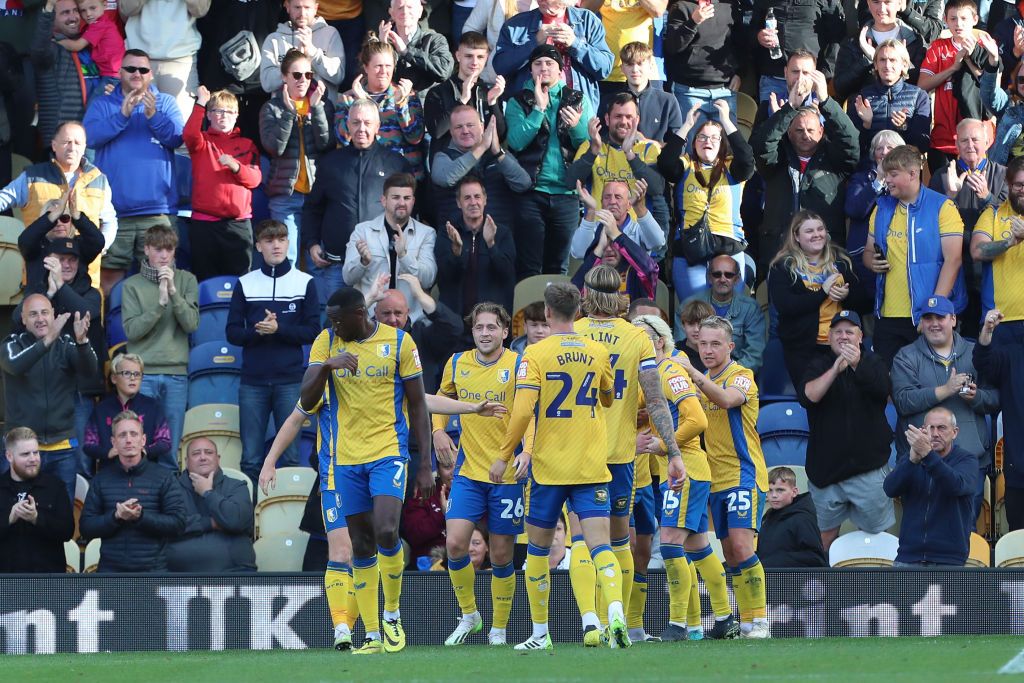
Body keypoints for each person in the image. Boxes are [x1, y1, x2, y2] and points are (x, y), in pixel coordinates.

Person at [260, 361, 506, 647]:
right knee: (341, 552)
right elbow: (293, 419)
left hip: (377, 474)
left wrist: (471, 407)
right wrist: (269, 461)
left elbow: (422, 399)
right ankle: (343, 629)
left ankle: (387, 615)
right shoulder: (325, 386)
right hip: (334, 477)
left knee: (382, 541)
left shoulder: (382, 380)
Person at [488, 283, 637, 650]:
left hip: (549, 467)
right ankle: (615, 611)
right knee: (602, 546)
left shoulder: (535, 355)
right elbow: (607, 394)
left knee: (537, 551)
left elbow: (523, 410)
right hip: (591, 464)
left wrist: (504, 455)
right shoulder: (597, 350)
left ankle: (540, 634)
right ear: (578, 312)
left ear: (549, 314)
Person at [301, 286, 434, 654]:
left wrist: (425, 463)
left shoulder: (400, 343)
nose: (332, 325)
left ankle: (392, 613)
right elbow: (306, 400)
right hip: (345, 459)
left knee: (387, 530)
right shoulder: (326, 342)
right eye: (329, 320)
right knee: (361, 543)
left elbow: (419, 403)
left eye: (337, 319)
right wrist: (327, 365)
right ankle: (373, 634)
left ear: (360, 314)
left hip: (388, 452)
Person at [566, 266, 685, 647]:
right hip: (620, 454)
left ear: (586, 293)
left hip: (578, 454)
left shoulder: (572, 333)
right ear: (620, 295)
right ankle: (625, 622)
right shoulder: (637, 337)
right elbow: (655, 400)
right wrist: (675, 451)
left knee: (582, 541)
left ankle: (594, 623)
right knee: (619, 542)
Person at [631, 313, 739, 642]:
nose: (636, 343)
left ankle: (678, 624)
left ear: (659, 341)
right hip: (683, 470)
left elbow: (697, 420)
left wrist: (664, 444)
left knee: (671, 545)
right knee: (698, 546)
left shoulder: (670, 371)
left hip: (686, 469)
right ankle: (723, 617)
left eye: (643, 338)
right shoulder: (653, 374)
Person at [435, 303, 523, 646]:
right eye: (479, 328)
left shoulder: (518, 365)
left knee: (501, 555)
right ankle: (470, 614)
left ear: (505, 332)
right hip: (469, 471)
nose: (484, 333)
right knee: (455, 544)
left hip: (508, 473)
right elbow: (441, 397)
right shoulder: (458, 363)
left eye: (491, 327)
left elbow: (530, 412)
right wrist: (439, 431)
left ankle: (498, 629)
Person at [676, 315, 769, 638]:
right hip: (713, 477)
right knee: (729, 553)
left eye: (716, 344)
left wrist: (692, 375)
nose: (708, 350)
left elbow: (728, 399)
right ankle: (745, 622)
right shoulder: (700, 379)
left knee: (743, 547)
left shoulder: (742, 376)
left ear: (730, 346)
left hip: (744, 473)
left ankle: (760, 621)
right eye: (702, 343)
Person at [83, 48, 184, 295]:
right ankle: (110, 333)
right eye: (131, 69)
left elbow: (177, 138)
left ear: (151, 74)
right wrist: (122, 115)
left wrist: (153, 116)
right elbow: (90, 137)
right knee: (109, 278)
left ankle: (158, 334)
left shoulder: (166, 102)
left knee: (161, 280)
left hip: (158, 212)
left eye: (143, 69)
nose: (137, 73)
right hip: (115, 212)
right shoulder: (104, 104)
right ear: (120, 72)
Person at [227, 219, 320, 484]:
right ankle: (249, 521)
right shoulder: (245, 283)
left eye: (281, 239)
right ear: (258, 246)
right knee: (251, 459)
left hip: (289, 381)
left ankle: (289, 522)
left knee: (290, 458)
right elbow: (232, 332)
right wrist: (258, 331)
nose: (276, 245)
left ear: (289, 243)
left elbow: (313, 331)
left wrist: (279, 330)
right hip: (253, 382)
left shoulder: (305, 282)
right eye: (269, 240)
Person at [892, 295, 999, 517]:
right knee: (920, 527)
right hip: (921, 458)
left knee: (966, 529)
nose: (934, 323)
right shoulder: (906, 356)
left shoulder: (975, 352)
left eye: (940, 317)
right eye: (928, 318)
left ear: (953, 319)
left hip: (968, 459)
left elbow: (996, 398)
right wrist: (946, 390)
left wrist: (976, 396)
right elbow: (903, 402)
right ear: (921, 323)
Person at [800, 310, 896, 553]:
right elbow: (810, 396)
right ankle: (820, 590)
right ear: (829, 337)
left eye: (849, 332)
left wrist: (856, 364)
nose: (843, 337)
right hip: (826, 473)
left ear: (860, 337)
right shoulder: (817, 363)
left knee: (877, 538)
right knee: (823, 538)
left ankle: (877, 590)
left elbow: (883, 390)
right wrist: (835, 369)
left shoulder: (873, 361)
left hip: (868, 469)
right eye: (838, 332)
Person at [303, 99, 413, 307]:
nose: (361, 129)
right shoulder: (330, 163)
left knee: (381, 325)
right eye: (355, 123)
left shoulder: (396, 164)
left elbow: (409, 210)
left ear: (377, 126)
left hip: (382, 264)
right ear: (347, 125)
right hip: (337, 263)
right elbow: (312, 208)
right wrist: (312, 243)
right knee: (335, 324)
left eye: (367, 123)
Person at [864, 145, 966, 366]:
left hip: (928, 315)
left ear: (912, 174)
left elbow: (953, 260)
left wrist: (934, 308)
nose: (887, 180)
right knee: (888, 386)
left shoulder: (943, 206)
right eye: (885, 174)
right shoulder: (881, 208)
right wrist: (872, 261)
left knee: (932, 383)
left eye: (893, 175)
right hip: (887, 315)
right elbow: (868, 251)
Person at [750, 68, 861, 271]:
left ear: (821, 130)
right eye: (799, 130)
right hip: (781, 253)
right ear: (789, 133)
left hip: (826, 255)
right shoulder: (775, 160)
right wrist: (790, 108)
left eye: (811, 130)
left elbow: (850, 141)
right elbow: (761, 145)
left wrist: (826, 101)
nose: (805, 135)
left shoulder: (835, 161)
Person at [504, 44, 591, 277]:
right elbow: (515, 141)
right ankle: (529, 314)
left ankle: (558, 313)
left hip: (567, 194)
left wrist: (576, 127)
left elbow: (588, 144)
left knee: (558, 267)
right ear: (530, 70)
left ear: (560, 71)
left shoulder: (577, 99)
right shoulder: (518, 101)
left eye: (550, 63)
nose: (544, 68)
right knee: (529, 266)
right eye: (538, 64)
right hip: (531, 192)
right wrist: (538, 111)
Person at [1, 294, 96, 503]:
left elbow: (90, 371)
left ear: (53, 315)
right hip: (20, 449)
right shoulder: (11, 344)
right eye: (33, 314)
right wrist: (46, 341)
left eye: (45, 312)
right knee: (11, 510)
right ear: (23, 320)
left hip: (62, 448)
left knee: (61, 514)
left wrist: (82, 342)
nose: (40, 318)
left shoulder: (66, 343)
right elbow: (15, 366)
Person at [1, 122, 117, 290]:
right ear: (54, 145)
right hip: (41, 275)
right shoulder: (32, 176)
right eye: (66, 142)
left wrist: (100, 247)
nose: (72, 147)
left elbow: (110, 221)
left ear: (85, 147)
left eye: (77, 143)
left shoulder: (98, 179)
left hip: (86, 278)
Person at [659, 99, 753, 302]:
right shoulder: (686, 164)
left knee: (727, 315)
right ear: (694, 143)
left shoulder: (732, 167)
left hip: (727, 243)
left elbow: (747, 159)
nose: (707, 141)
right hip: (690, 246)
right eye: (701, 137)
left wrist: (726, 121)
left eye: (713, 138)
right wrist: (687, 126)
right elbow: (665, 163)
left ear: (722, 144)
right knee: (694, 312)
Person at [121, 225, 199, 461]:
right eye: (158, 249)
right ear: (146, 250)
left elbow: (191, 324)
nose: (164, 255)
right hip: (142, 375)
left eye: (169, 249)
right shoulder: (132, 285)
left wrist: (173, 293)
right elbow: (132, 331)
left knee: (170, 449)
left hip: (176, 374)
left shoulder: (187, 280)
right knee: (136, 445)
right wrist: (159, 304)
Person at [79, 410, 188, 572]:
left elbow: (178, 524)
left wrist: (141, 517)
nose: (128, 440)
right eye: (122, 435)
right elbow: (86, 528)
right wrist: (116, 517)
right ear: (113, 442)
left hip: (154, 572)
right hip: (111, 573)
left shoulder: (164, 477)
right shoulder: (101, 479)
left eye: (133, 434)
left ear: (143, 440)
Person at [768, 210, 862, 387]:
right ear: (796, 236)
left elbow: (865, 301)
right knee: (813, 400)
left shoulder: (841, 261)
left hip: (841, 345)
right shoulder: (783, 267)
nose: (817, 235)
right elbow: (787, 306)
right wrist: (822, 292)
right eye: (809, 231)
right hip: (803, 348)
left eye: (820, 229)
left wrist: (847, 296)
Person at [260, 48, 335, 266]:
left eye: (308, 75)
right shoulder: (272, 108)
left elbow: (326, 144)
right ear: (284, 77)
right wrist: (290, 113)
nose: (303, 80)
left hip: (316, 195)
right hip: (285, 196)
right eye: (297, 75)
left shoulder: (321, 104)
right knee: (287, 259)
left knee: (317, 260)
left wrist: (318, 108)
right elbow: (275, 147)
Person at [184, 85, 263, 282]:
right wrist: (201, 102)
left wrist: (235, 166)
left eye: (228, 111)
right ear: (208, 115)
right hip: (204, 225)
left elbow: (254, 180)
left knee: (240, 284)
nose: (223, 116)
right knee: (204, 283)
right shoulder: (202, 142)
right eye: (217, 111)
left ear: (236, 115)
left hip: (237, 225)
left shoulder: (247, 144)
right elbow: (189, 135)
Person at [884, 406, 978, 566]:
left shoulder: (967, 460)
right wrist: (911, 460)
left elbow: (955, 485)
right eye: (930, 428)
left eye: (941, 428)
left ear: (955, 432)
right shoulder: (913, 458)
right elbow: (890, 489)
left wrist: (927, 455)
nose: (935, 434)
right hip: (908, 556)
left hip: (949, 560)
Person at [342, 172, 438, 322]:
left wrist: (404, 256)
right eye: (395, 197)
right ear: (384, 200)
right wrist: (363, 262)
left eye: (406, 198)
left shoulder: (426, 233)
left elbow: (428, 280)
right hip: (371, 318)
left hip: (411, 319)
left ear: (413, 201)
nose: (402, 203)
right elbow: (348, 278)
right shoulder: (363, 231)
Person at [566, 92, 668, 232]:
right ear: (607, 119)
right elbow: (570, 182)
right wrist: (593, 151)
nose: (624, 122)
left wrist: (630, 155)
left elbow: (657, 188)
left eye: (629, 117)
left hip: (636, 231)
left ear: (637, 120)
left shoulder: (649, 148)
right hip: (599, 230)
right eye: (618, 116)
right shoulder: (590, 146)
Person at [493, 0, 614, 114]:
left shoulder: (587, 21)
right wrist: (534, 43)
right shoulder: (516, 24)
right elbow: (500, 66)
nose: (540, 0)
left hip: (576, 113)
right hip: (528, 113)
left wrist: (575, 43)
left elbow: (604, 69)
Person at [335, 36, 426, 179]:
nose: (384, 71)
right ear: (366, 67)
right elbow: (342, 140)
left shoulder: (408, 94)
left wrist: (400, 105)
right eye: (378, 66)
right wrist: (360, 103)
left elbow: (415, 137)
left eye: (388, 66)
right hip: (366, 176)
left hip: (403, 177)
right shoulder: (348, 98)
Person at [429, 105, 530, 231]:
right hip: (457, 240)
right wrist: (481, 148)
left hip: (499, 238)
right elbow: (446, 178)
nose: (465, 131)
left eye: (470, 125)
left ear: (482, 127)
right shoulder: (442, 157)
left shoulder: (499, 154)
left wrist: (498, 153)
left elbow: (523, 184)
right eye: (459, 127)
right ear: (451, 131)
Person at [918, 0, 992, 172]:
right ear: (945, 19)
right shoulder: (938, 47)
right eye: (953, 19)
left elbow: (993, 87)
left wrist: (969, 61)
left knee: (975, 193)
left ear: (975, 19)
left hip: (978, 140)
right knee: (944, 194)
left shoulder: (985, 46)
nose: (958, 24)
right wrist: (952, 68)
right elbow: (922, 86)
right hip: (943, 139)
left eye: (964, 19)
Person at [166, 437, 256, 572]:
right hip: (180, 574)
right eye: (196, 453)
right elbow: (167, 526)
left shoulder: (237, 486)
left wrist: (208, 493)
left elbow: (237, 520)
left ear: (218, 458)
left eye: (208, 452)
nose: (203, 457)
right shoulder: (171, 489)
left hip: (234, 572)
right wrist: (211, 523)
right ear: (186, 461)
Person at [434, 176, 517, 319]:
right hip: (455, 321)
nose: (473, 202)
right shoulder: (447, 233)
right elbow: (444, 278)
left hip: (491, 320)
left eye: (477, 197)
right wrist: (456, 251)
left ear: (485, 200)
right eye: (467, 198)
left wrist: (491, 245)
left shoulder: (502, 232)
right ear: (459, 203)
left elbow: (507, 275)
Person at [571, 180, 661, 303]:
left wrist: (638, 207)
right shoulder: (596, 228)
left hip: (633, 293)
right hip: (598, 291)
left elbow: (658, 243)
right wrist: (591, 211)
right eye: (607, 197)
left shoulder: (637, 228)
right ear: (601, 203)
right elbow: (578, 252)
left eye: (618, 197)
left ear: (628, 204)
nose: (612, 201)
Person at [368, 280, 465, 394]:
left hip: (416, 409)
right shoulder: (364, 337)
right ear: (375, 313)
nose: (393, 319)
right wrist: (369, 298)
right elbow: (343, 327)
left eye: (398, 313)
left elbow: (454, 328)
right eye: (386, 313)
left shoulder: (421, 337)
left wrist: (421, 295)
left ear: (407, 313)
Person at [0, 427, 75, 573]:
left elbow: (67, 532)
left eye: (36, 452)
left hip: (48, 579)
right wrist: (8, 519)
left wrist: (36, 518)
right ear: (9, 456)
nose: (33, 459)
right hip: (5, 579)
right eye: (25, 454)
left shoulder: (55, 486)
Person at [975, 309, 1024, 530]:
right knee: (1019, 546)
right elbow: (983, 363)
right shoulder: (1013, 355)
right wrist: (987, 331)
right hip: (1019, 475)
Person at [119, 0, 211, 119]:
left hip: (180, 59)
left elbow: (201, 10)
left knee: (178, 125)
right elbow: (126, 10)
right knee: (136, 121)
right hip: (139, 59)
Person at [423, 31, 506, 161]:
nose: (474, 62)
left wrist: (493, 103)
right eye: (468, 56)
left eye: (480, 57)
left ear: (487, 57)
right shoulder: (438, 92)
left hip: (483, 167)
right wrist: (462, 100)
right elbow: (437, 132)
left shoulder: (489, 91)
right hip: (450, 166)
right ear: (458, 56)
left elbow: (500, 136)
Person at [83, 353, 172, 472]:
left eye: (137, 374)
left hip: (146, 472)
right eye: (126, 373)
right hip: (110, 474)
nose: (132, 378)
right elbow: (88, 444)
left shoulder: (153, 406)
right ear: (114, 378)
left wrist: (144, 450)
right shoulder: (101, 409)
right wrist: (108, 452)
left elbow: (165, 441)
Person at [847, 39, 932, 159]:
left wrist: (904, 127)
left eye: (892, 60)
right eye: (882, 60)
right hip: (870, 168)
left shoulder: (919, 96)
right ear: (875, 65)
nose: (887, 66)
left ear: (904, 65)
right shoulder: (861, 98)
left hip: (904, 167)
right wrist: (866, 124)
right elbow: (852, 148)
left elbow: (923, 145)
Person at [682, 255, 766, 373]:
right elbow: (680, 347)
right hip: (693, 374)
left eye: (729, 275)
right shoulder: (689, 305)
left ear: (737, 278)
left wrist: (724, 374)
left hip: (735, 376)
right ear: (709, 277)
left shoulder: (751, 309)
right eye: (717, 274)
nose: (722, 279)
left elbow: (754, 356)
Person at [845, 129, 906, 293]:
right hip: (863, 259)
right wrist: (878, 181)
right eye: (879, 148)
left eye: (890, 147)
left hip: (898, 258)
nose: (884, 152)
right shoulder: (861, 179)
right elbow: (854, 210)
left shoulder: (908, 182)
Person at [971, 155, 1024, 343]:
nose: (1023, 190)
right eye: (1018, 185)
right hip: (999, 321)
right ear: (1008, 185)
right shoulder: (992, 214)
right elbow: (977, 250)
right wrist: (1009, 243)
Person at [663, 0, 742, 123]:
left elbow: (739, 43)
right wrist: (693, 22)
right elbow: (672, 47)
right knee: (689, 141)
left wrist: (739, 72)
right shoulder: (681, 7)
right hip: (689, 91)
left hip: (725, 90)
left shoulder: (729, 5)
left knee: (727, 141)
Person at [833, 0, 927, 104]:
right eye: (876, 2)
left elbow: (922, 84)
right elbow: (840, 89)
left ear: (900, 3)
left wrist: (905, 64)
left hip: (904, 113)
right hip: (864, 112)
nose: (881, 9)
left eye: (887, 2)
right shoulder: (854, 42)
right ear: (868, 3)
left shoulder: (914, 41)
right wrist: (866, 61)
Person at [750, 0, 846, 98]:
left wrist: (826, 74)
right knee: (772, 113)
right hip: (773, 78)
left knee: (808, 113)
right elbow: (750, 31)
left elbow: (837, 37)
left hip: (809, 78)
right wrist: (758, 36)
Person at [31, 0, 94, 150]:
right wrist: (48, 9)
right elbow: (39, 49)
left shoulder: (87, 46)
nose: (73, 17)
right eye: (65, 13)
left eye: (75, 11)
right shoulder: (51, 49)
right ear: (52, 20)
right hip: (61, 142)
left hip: (90, 136)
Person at [929, 118, 1008, 236]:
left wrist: (987, 197)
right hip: (952, 247)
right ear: (957, 145)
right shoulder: (941, 175)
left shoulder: (1004, 175)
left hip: (991, 248)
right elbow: (930, 218)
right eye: (964, 140)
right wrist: (950, 196)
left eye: (975, 140)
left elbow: (1008, 218)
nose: (970, 145)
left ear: (987, 143)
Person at [260, 0, 345, 102]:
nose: (302, 14)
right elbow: (267, 83)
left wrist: (313, 53)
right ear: (287, 7)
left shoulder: (330, 34)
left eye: (307, 8)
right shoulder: (274, 39)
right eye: (297, 7)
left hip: (322, 112)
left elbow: (338, 76)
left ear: (316, 8)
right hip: (284, 113)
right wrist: (292, 63)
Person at [757, 466, 827, 568]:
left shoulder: (802, 519)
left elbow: (815, 557)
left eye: (780, 490)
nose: (774, 495)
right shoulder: (767, 517)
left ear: (794, 492)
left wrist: (774, 561)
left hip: (796, 581)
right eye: (770, 490)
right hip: (771, 578)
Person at [381, 0, 454, 93]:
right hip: (389, 102)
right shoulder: (382, 40)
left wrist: (406, 52)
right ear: (391, 13)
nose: (405, 12)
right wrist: (382, 48)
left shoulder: (435, 40)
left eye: (410, 7)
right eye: (400, 8)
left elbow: (444, 71)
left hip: (425, 104)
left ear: (420, 11)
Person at [56, 0, 124, 99]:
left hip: (112, 76)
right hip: (111, 74)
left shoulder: (99, 25)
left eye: (93, 8)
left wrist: (55, 42)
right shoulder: (98, 24)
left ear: (105, 5)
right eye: (83, 10)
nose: (88, 14)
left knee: (94, 105)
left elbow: (77, 46)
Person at [615, 41, 680, 143]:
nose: (635, 69)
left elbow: (678, 145)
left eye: (640, 63)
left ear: (651, 65)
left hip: (657, 158)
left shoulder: (668, 101)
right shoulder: (611, 101)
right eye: (629, 64)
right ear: (622, 68)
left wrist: (647, 144)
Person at [464, 0, 537, 83]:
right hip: (494, 77)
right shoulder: (492, 2)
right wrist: (483, 56)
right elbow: (470, 30)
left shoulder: (545, 4)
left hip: (531, 76)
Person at [979, 47, 1024, 166]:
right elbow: (989, 94)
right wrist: (993, 61)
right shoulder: (1010, 104)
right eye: (1021, 79)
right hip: (1004, 176)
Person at [674, 299, 714, 372]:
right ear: (683, 326)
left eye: (701, 324)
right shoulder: (674, 352)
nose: (696, 329)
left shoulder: (718, 352)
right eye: (691, 324)